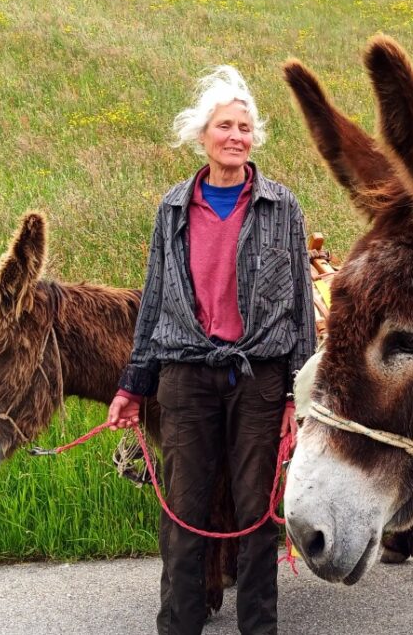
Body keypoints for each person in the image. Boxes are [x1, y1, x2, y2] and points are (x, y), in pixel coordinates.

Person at [107, 65, 316, 635]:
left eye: (245, 128)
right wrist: (132, 385)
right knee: (184, 512)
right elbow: (153, 304)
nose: (236, 137)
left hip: (260, 380)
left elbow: (301, 308)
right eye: (225, 126)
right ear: (203, 135)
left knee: (256, 514)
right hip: (186, 377)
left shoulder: (282, 207)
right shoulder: (173, 209)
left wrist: (301, 395)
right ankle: (179, 624)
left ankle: (259, 628)